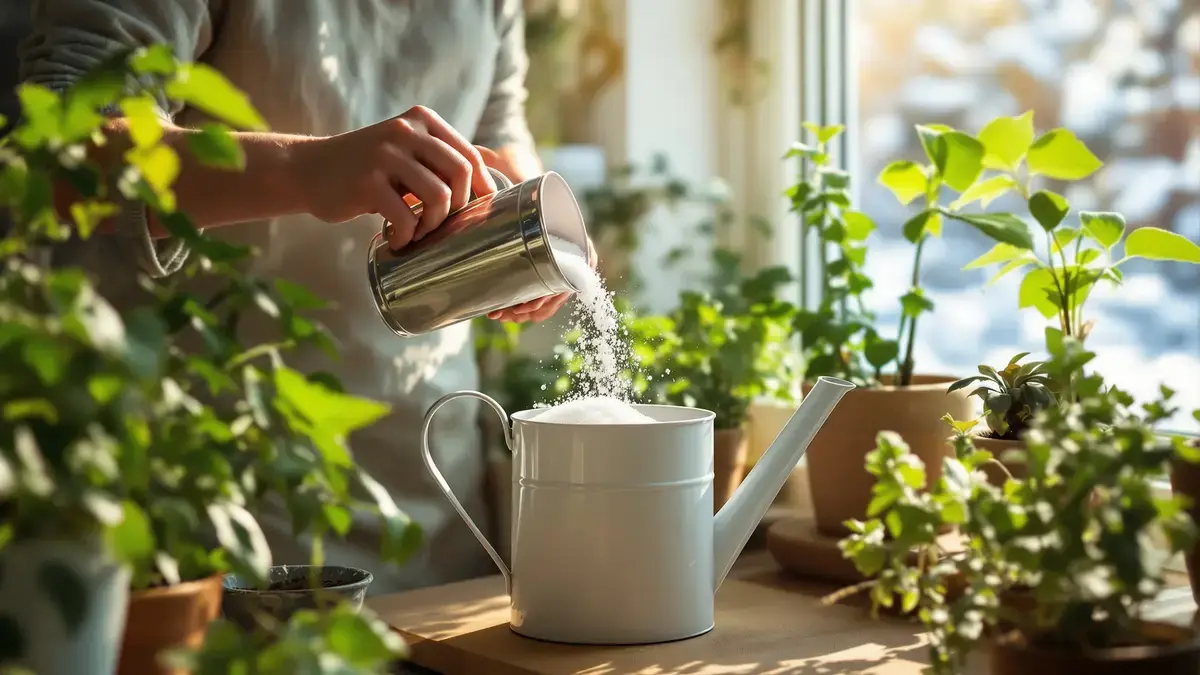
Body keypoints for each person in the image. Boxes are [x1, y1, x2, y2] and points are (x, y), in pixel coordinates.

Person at [19, 0, 592, 594]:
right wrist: (305, 168)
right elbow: (57, 153)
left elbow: (497, 130)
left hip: (434, 495)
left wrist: (526, 215)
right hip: (210, 497)